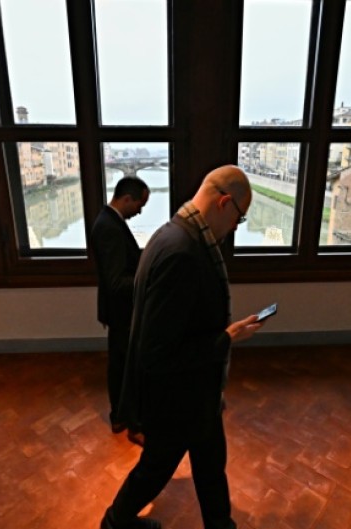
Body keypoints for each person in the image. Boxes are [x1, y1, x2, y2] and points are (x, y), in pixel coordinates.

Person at [100, 165, 264, 529]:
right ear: (224, 203)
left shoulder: (172, 233)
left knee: (208, 463)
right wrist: (227, 338)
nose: (237, 227)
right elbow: (156, 351)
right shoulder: (183, 252)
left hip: (190, 393)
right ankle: (115, 523)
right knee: (157, 468)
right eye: (240, 217)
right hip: (177, 397)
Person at [91, 176, 150, 445]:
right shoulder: (110, 227)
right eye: (139, 205)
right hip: (123, 313)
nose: (140, 211)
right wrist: (149, 277)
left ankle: (120, 418)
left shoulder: (108, 221)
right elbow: (116, 282)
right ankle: (135, 424)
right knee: (131, 368)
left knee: (119, 366)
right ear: (127, 199)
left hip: (117, 312)